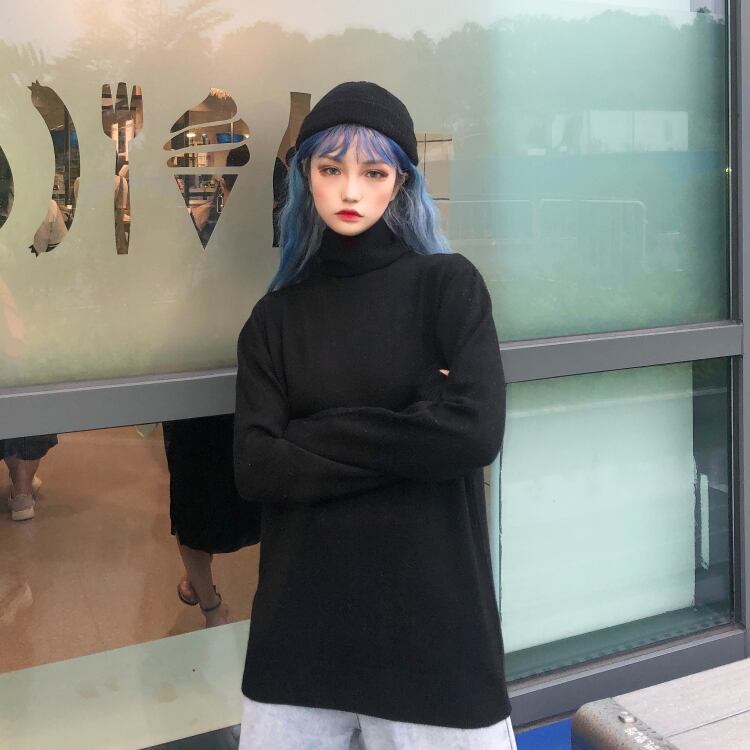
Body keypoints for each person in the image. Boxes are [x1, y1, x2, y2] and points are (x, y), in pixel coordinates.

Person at [233, 82, 515, 749]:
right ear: (306, 176)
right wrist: (417, 421)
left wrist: (306, 435)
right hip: (298, 640)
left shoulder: (447, 286)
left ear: (401, 182)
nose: (350, 191)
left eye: (374, 172)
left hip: (436, 639)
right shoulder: (274, 319)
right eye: (331, 169)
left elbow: (475, 433)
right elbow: (257, 468)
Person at [163, 415, 260, 627]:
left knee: (252, 493)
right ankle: (212, 608)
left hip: (248, 408)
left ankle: (199, 580)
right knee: (192, 501)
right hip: (190, 409)